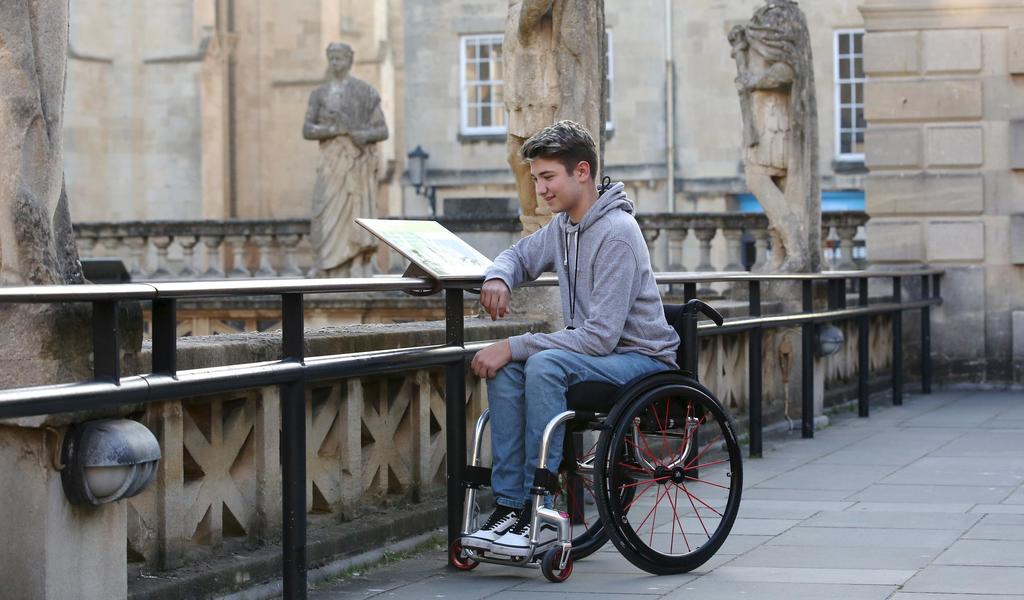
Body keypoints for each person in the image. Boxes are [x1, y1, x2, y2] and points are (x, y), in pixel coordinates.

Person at [463, 120, 680, 556]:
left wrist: (514, 344)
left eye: (548, 177)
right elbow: (519, 254)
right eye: (536, 179)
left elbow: (599, 338)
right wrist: (499, 276)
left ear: (582, 172)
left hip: (642, 359)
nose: (540, 190)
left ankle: (538, 502)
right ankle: (509, 506)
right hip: (597, 355)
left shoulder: (618, 233)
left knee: (541, 362)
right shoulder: (563, 226)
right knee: (506, 371)